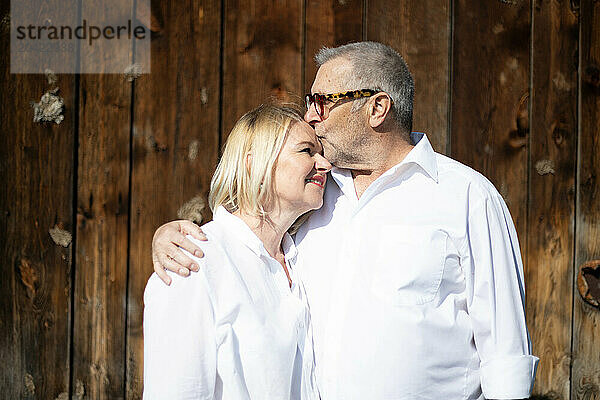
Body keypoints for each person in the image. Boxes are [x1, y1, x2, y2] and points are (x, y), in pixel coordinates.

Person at [151, 42, 539, 399]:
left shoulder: (466, 196)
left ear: (377, 108)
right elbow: (245, 234)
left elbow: (506, 353)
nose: (310, 114)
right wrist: (169, 236)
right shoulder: (315, 196)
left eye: (322, 101)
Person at [143, 104, 330, 399]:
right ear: (254, 163)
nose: (325, 164)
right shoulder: (194, 262)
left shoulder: (304, 258)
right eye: (307, 151)